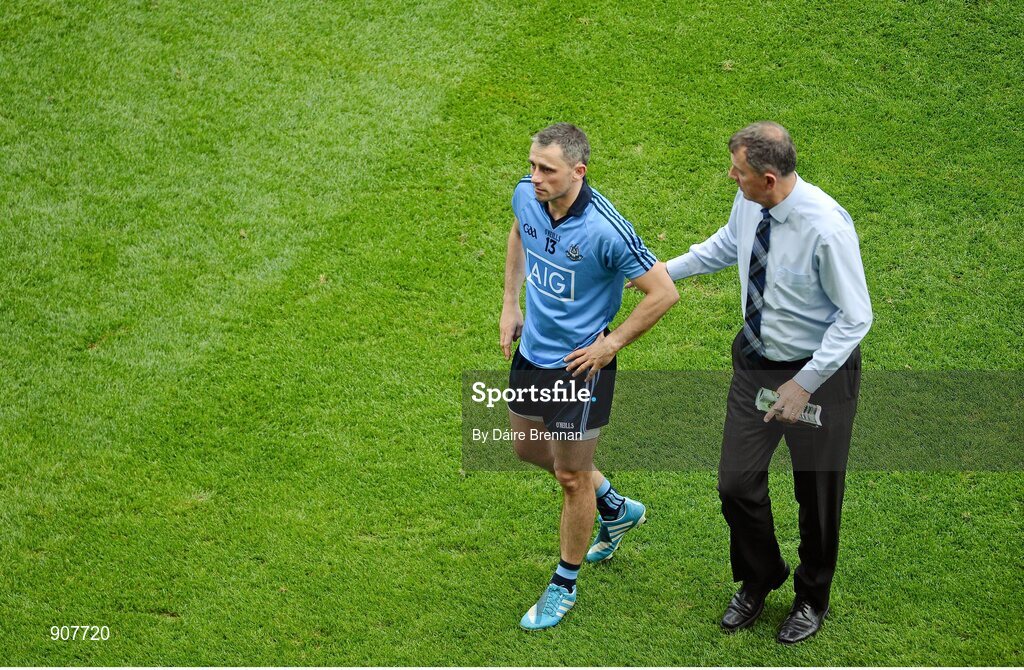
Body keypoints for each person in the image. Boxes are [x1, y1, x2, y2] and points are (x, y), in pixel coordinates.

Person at [664, 121, 872, 644]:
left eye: (739, 173)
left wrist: (803, 383)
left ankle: (811, 597)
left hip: (818, 378)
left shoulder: (826, 227)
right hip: (756, 365)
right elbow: (726, 245)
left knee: (817, 494)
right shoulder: (750, 202)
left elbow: (856, 317)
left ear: (770, 178)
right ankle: (761, 576)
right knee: (736, 484)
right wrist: (663, 269)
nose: (732, 178)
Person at [500, 123, 679, 630]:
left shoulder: (606, 230)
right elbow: (518, 230)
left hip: (581, 369)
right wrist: (511, 303)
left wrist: (612, 344)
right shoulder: (526, 196)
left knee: (571, 476)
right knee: (528, 450)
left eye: (546, 170)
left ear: (578, 172)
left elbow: (663, 292)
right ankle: (617, 508)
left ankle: (564, 584)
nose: (534, 177)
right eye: (533, 165)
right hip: (532, 352)